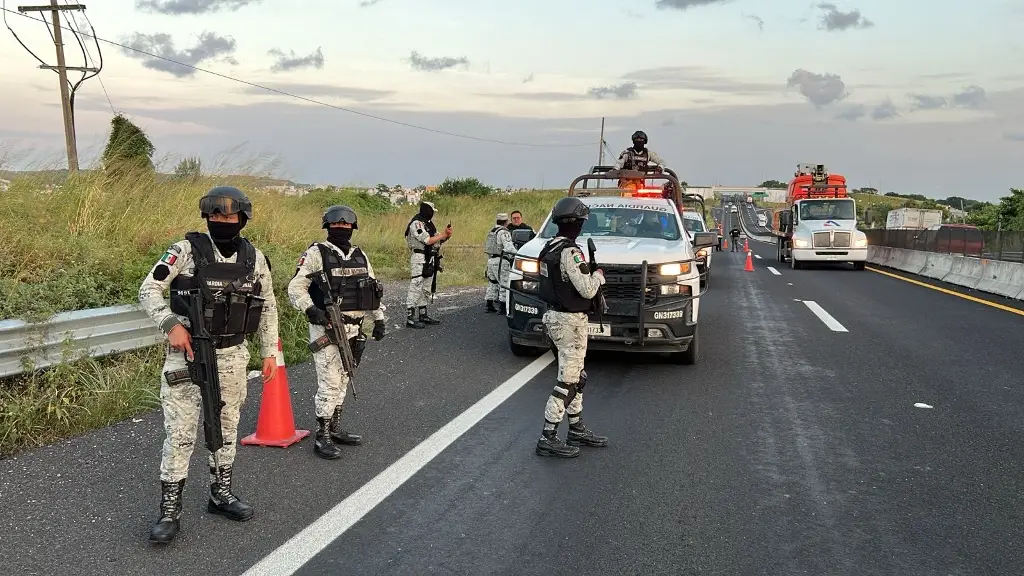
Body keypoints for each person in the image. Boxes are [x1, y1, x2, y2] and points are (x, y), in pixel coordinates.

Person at [139, 185, 280, 544]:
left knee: (227, 427)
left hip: (233, 355)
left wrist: (270, 354)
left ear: (242, 219)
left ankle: (221, 493)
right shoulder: (185, 251)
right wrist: (170, 324)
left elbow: (268, 305)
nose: (221, 220)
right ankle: (169, 510)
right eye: (215, 215)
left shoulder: (254, 257)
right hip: (186, 354)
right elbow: (148, 289)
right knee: (182, 433)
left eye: (228, 216)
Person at [287, 205, 387, 460]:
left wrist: (379, 319)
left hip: (355, 328)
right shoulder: (316, 253)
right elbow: (296, 287)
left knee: (344, 377)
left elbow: (372, 290)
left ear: (353, 227)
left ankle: (335, 427)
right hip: (328, 327)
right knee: (329, 383)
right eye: (336, 225)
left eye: (346, 225)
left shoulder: (360, 255)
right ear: (327, 227)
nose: (341, 228)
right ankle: (322, 436)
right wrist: (311, 309)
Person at [534, 197, 609, 458]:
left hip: (554, 318)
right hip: (570, 322)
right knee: (568, 382)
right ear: (577, 223)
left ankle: (576, 428)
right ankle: (548, 436)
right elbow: (587, 289)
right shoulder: (571, 252)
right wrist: (598, 275)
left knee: (577, 376)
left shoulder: (548, 248)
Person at [404, 201, 452, 328]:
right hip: (419, 257)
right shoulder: (417, 223)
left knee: (426, 287)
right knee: (416, 285)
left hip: (429, 258)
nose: (433, 215)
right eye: (432, 211)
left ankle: (423, 314)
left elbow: (436, 240)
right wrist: (442, 235)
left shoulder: (429, 225)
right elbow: (426, 240)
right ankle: (410, 317)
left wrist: (446, 236)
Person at [484, 212, 516, 313]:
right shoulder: (504, 232)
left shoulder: (492, 231)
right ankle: (503, 307)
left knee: (492, 283)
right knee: (505, 283)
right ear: (506, 222)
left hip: (491, 260)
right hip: (501, 260)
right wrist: (518, 254)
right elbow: (509, 247)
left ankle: (489, 304)